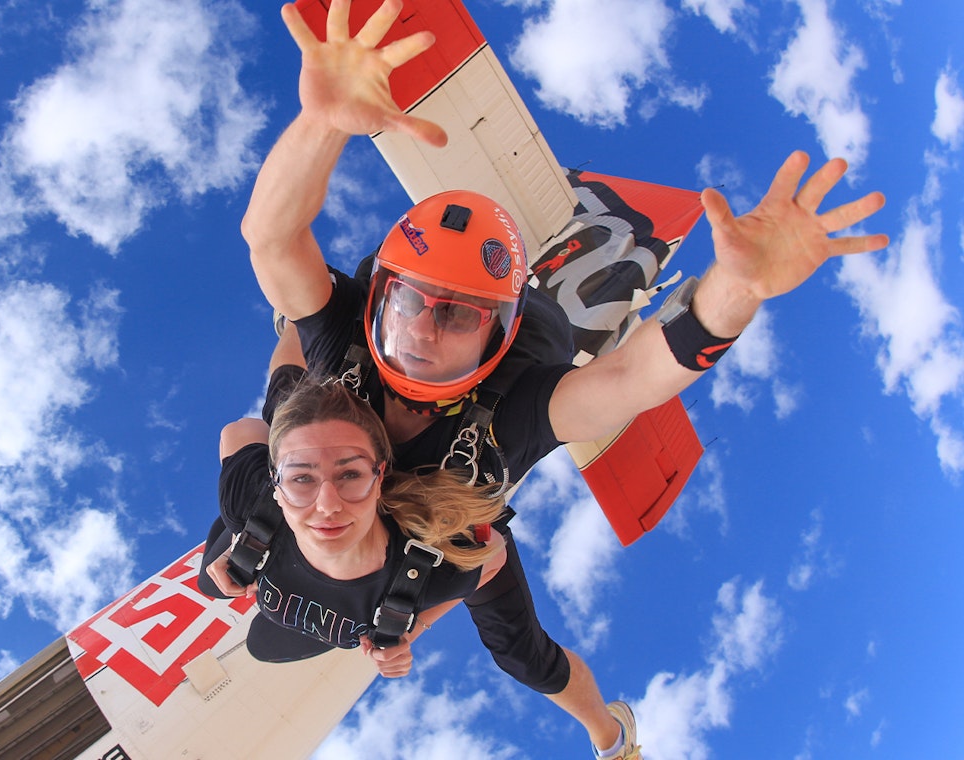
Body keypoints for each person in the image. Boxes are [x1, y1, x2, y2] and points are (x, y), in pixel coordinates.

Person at [239, 1, 889, 757]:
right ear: (379, 295)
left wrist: (734, 290)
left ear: (498, 338)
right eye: (410, 303)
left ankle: (612, 735)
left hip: (461, 538)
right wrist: (321, 123)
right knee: (287, 376)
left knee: (522, 653)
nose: (419, 332)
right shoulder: (344, 336)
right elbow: (270, 238)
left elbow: (633, 379)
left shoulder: (513, 411)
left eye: (455, 318)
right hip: (384, 504)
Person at [198, 373, 509, 677]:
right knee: (285, 389)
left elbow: (240, 431)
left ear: (379, 479)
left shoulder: (431, 575)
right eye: (302, 478)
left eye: (350, 475)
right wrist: (411, 628)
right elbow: (239, 431)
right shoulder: (247, 502)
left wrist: (246, 532)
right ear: (275, 486)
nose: (328, 506)